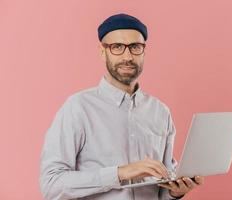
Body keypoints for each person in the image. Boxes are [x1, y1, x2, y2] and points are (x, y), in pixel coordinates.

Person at [39, 13, 204, 200]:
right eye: (117, 47)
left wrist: (175, 192)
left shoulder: (160, 112)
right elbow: (51, 185)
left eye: (135, 47)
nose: (127, 56)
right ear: (103, 51)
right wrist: (120, 173)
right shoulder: (77, 108)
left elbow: (162, 188)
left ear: (144, 51)